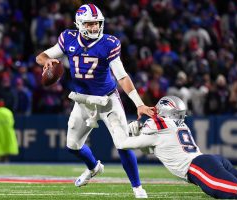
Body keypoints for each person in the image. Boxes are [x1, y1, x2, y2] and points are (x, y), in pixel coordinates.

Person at [36, 4, 154, 198]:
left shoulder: (109, 43)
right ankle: (93, 167)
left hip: (108, 100)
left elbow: (122, 76)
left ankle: (138, 189)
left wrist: (139, 103)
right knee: (72, 146)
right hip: (83, 101)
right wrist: (46, 62)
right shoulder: (68, 38)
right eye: (89, 24)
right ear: (79, 24)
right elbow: (41, 56)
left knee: (122, 144)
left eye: (97, 24)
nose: (94, 28)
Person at [114, 96, 237, 199]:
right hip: (209, 161)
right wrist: (139, 133)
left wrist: (121, 128)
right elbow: (148, 148)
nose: (180, 116)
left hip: (198, 167)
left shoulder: (159, 125)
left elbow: (123, 144)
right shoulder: (179, 125)